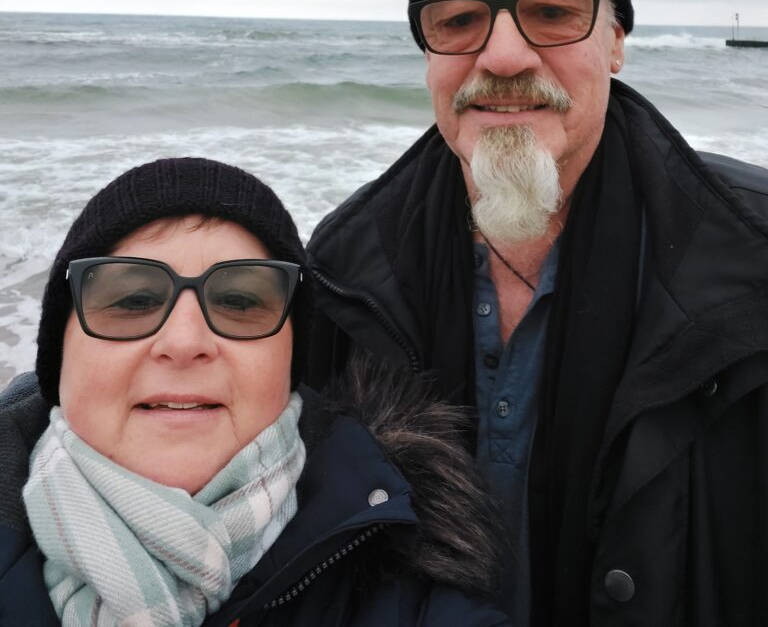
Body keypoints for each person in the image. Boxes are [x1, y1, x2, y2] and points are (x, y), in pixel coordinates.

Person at [306, 0, 768, 627]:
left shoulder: (749, 256)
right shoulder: (344, 268)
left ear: (616, 39)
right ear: (428, 55)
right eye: (458, 20)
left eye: (553, 12)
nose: (505, 55)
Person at [0, 157, 510, 627]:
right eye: (131, 299)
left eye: (240, 301)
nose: (184, 342)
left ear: (291, 362)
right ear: (59, 355)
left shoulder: (407, 588)